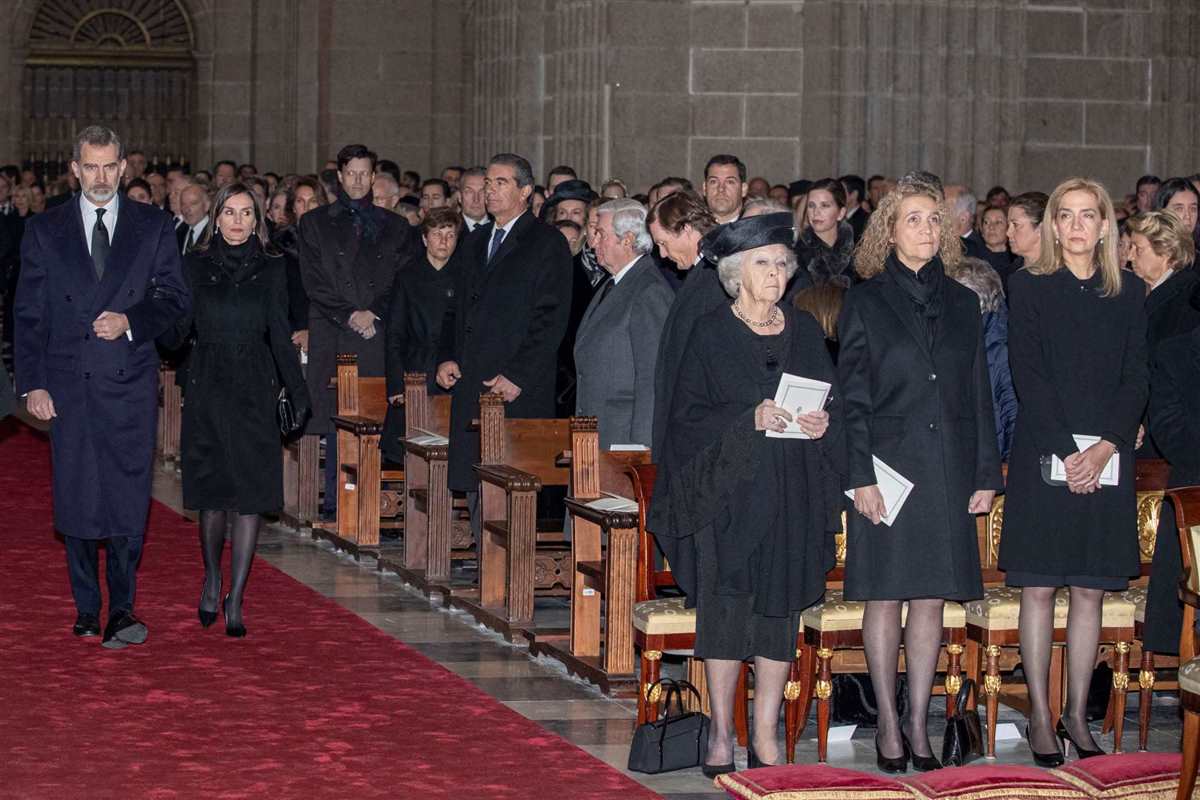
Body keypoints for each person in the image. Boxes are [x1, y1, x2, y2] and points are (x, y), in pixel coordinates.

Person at [657, 213, 844, 773]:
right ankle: (721, 731)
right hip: (728, 496)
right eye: (763, 264)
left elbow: (830, 401)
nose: (777, 274)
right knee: (728, 611)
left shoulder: (805, 330)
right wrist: (748, 418)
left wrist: (821, 422)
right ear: (737, 273)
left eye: (783, 264)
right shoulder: (711, 331)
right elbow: (684, 420)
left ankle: (764, 734)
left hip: (792, 492)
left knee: (777, 612)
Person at [839, 180, 1001, 773]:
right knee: (884, 596)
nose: (927, 230)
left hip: (946, 471)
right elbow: (852, 398)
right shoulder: (866, 300)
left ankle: (917, 721)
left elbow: (980, 395)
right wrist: (859, 476)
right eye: (914, 220)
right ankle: (886, 718)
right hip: (887, 471)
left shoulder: (962, 303)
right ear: (889, 229)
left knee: (930, 597)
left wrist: (984, 471)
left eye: (935, 220)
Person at [14, 125, 190, 647]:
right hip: (69, 385)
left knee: (125, 497)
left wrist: (131, 320)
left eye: (109, 166)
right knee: (77, 498)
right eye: (90, 166)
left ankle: (124, 606)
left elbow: (177, 302)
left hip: (128, 381)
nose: (100, 177)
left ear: (123, 168)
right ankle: (87, 607)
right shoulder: (45, 230)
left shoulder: (153, 226)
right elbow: (28, 314)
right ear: (74, 169)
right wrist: (33, 384)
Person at [999, 178, 1147, 766]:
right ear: (1054, 226)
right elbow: (1027, 375)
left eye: (1090, 215)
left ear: (1106, 226)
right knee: (1039, 589)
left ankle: (1077, 714)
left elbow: (1137, 375)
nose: (1079, 225)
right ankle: (1039, 714)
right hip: (1047, 450)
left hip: (1108, 456)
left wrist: (1107, 446)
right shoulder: (1029, 287)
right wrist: (1070, 452)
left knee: (1088, 590)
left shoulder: (1130, 290)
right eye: (1067, 215)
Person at [158, 183, 309, 637]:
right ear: (216, 217)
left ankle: (237, 597)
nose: (238, 221)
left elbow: (281, 334)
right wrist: (157, 319)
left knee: (250, 495)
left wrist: (297, 392)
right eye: (230, 213)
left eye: (247, 213)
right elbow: (178, 331)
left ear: (257, 219)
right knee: (213, 495)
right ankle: (212, 575)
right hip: (207, 383)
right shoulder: (193, 264)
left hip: (255, 385)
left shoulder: (275, 268)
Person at [436, 153, 572, 531]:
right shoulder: (475, 241)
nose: (489, 191)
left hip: (515, 384)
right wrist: (447, 356)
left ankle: (510, 575)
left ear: (526, 191)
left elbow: (551, 319)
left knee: (511, 482)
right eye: (487, 184)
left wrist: (518, 374)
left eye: (500, 183)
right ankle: (487, 572)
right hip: (473, 378)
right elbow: (454, 307)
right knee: (479, 479)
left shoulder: (546, 243)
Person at [300, 145, 416, 519]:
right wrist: (349, 314)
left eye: (364, 174)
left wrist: (373, 314)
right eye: (351, 173)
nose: (357, 180)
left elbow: (401, 279)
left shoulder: (395, 225)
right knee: (337, 417)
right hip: (334, 328)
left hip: (375, 332)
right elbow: (313, 280)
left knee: (372, 416)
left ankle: (370, 503)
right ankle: (337, 502)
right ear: (340, 176)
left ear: (374, 176)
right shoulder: (315, 222)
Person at [645, 191, 727, 607]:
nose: (661, 253)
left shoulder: (714, 282)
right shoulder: (700, 278)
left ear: (690, 230)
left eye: (664, 241)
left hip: (697, 435)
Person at [573, 199, 673, 449]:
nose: (593, 242)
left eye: (601, 234)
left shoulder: (649, 290)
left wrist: (642, 444)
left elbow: (652, 375)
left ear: (627, 239)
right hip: (600, 429)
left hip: (624, 437)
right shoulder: (612, 284)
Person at [382, 207, 461, 461]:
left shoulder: (466, 277)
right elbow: (394, 334)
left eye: (450, 235)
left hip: (452, 372)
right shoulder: (408, 276)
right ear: (425, 239)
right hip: (416, 371)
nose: (444, 241)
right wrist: (396, 383)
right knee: (412, 451)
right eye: (437, 234)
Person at [951, 257, 1017, 460]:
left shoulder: (1002, 347)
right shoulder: (964, 337)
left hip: (991, 462)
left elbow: (1012, 411)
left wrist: (1007, 467)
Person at [1127, 210, 1200, 351]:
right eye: (1131, 247)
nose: (1130, 256)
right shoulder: (1149, 292)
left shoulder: (1189, 298)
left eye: (1138, 249)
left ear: (1166, 251)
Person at [786, 177, 858, 298]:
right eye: (811, 205)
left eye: (824, 205)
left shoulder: (859, 255)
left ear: (841, 213)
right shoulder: (795, 256)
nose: (816, 212)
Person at [1003, 191, 1048, 293]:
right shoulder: (1009, 273)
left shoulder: (1061, 275)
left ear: (1040, 229)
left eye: (1015, 225)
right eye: (1008, 225)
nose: (1008, 233)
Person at [703, 154, 747, 224]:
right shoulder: (690, 231)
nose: (721, 189)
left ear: (743, 190)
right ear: (705, 188)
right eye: (713, 181)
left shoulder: (758, 232)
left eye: (730, 182)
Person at [978, 205, 1014, 276]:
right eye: (986, 222)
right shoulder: (972, 259)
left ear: (1008, 228)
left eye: (998, 222)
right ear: (981, 230)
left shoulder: (1017, 261)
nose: (991, 227)